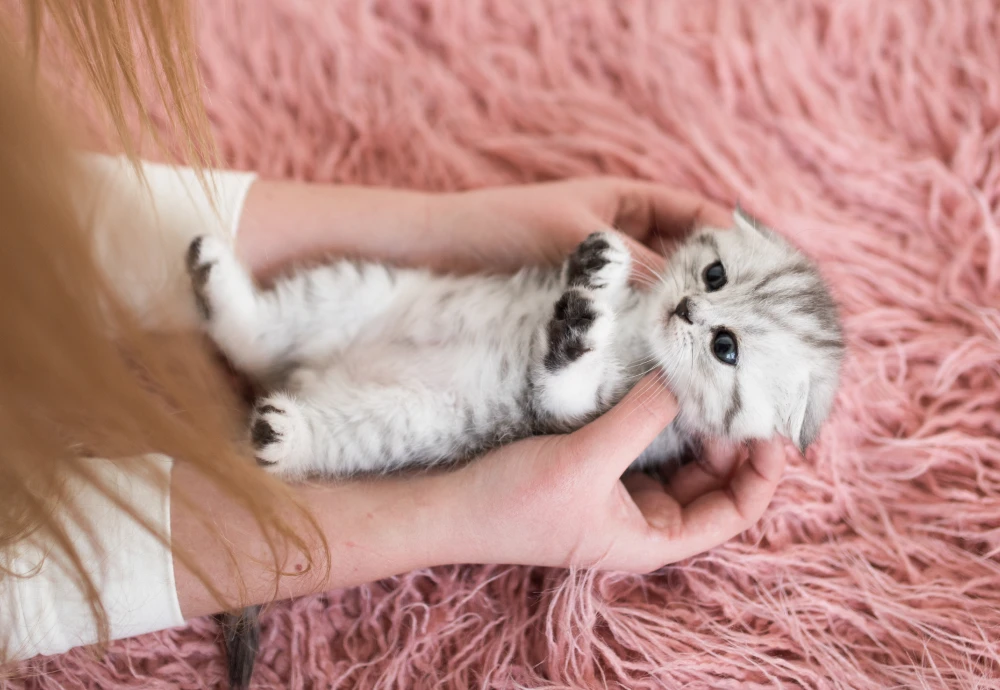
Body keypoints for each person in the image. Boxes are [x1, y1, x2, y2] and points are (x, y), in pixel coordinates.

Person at [0, 0, 789, 663]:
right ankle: (261, 337)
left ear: (747, 415)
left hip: (443, 395)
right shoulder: (649, 294)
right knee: (372, 295)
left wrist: (440, 229)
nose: (695, 311)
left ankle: (301, 427)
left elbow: (560, 408)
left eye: (726, 346)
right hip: (425, 312)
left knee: (402, 413)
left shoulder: (661, 435)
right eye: (715, 277)